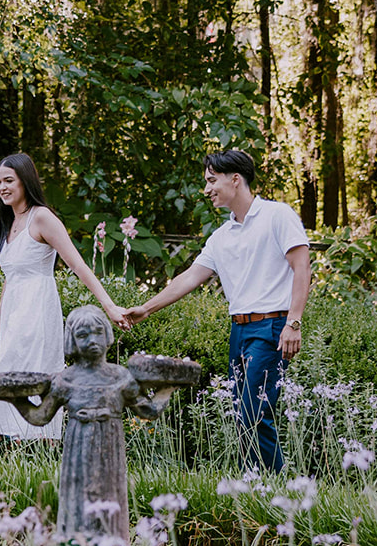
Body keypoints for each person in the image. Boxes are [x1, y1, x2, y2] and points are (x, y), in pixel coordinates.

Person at [122, 149, 311, 470]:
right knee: (243, 414)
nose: (206, 189)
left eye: (212, 181)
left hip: (272, 329)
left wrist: (294, 322)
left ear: (235, 180)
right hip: (239, 331)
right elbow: (190, 277)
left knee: (254, 412)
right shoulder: (222, 236)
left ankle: (281, 491)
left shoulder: (277, 216)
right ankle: (256, 487)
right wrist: (147, 308)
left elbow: (302, 266)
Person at [0, 153, 130, 446]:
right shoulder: (10, 222)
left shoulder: (41, 217)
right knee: (1, 390)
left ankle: (40, 470)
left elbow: (78, 265)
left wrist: (109, 305)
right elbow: (10, 280)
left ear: (25, 181)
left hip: (36, 316)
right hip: (14, 317)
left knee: (28, 386)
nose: (2, 187)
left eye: (9, 181)